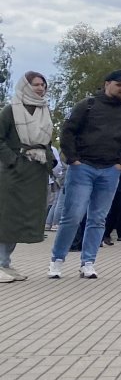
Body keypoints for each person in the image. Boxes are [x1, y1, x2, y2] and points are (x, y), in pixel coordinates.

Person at [52, 70, 121, 279]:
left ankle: (88, 262)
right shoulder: (88, 105)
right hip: (83, 166)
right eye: (119, 84)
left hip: (110, 170)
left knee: (98, 218)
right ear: (107, 84)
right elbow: (68, 131)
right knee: (73, 216)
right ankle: (57, 260)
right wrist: (73, 158)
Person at [0, 72, 57, 282]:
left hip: (36, 171)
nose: (41, 88)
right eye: (36, 85)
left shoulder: (44, 110)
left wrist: (50, 160)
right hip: (14, 172)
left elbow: (46, 141)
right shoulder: (11, 110)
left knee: (21, 219)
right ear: (25, 86)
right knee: (7, 217)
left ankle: (5, 263)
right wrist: (13, 161)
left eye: (43, 85)